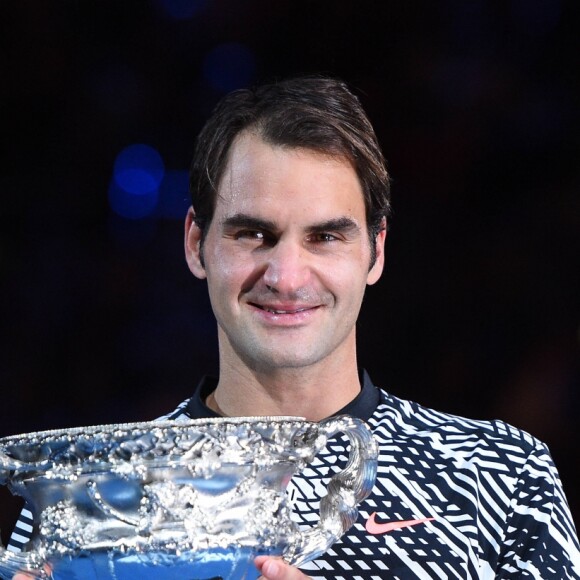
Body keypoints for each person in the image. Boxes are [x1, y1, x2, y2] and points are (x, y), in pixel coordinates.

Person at [10, 75, 580, 579]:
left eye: (325, 237)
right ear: (195, 243)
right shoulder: (85, 490)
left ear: (375, 252)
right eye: (252, 234)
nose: (285, 276)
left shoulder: (503, 476)